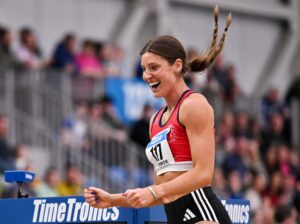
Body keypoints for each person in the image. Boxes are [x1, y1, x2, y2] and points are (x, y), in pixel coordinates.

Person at [84, 5, 232, 224]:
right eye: (144, 69)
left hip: (202, 213)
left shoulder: (194, 105)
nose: (146, 75)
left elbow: (203, 174)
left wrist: (154, 192)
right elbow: (162, 187)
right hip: (174, 215)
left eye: (154, 67)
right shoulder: (155, 120)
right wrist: (113, 200)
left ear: (177, 65)